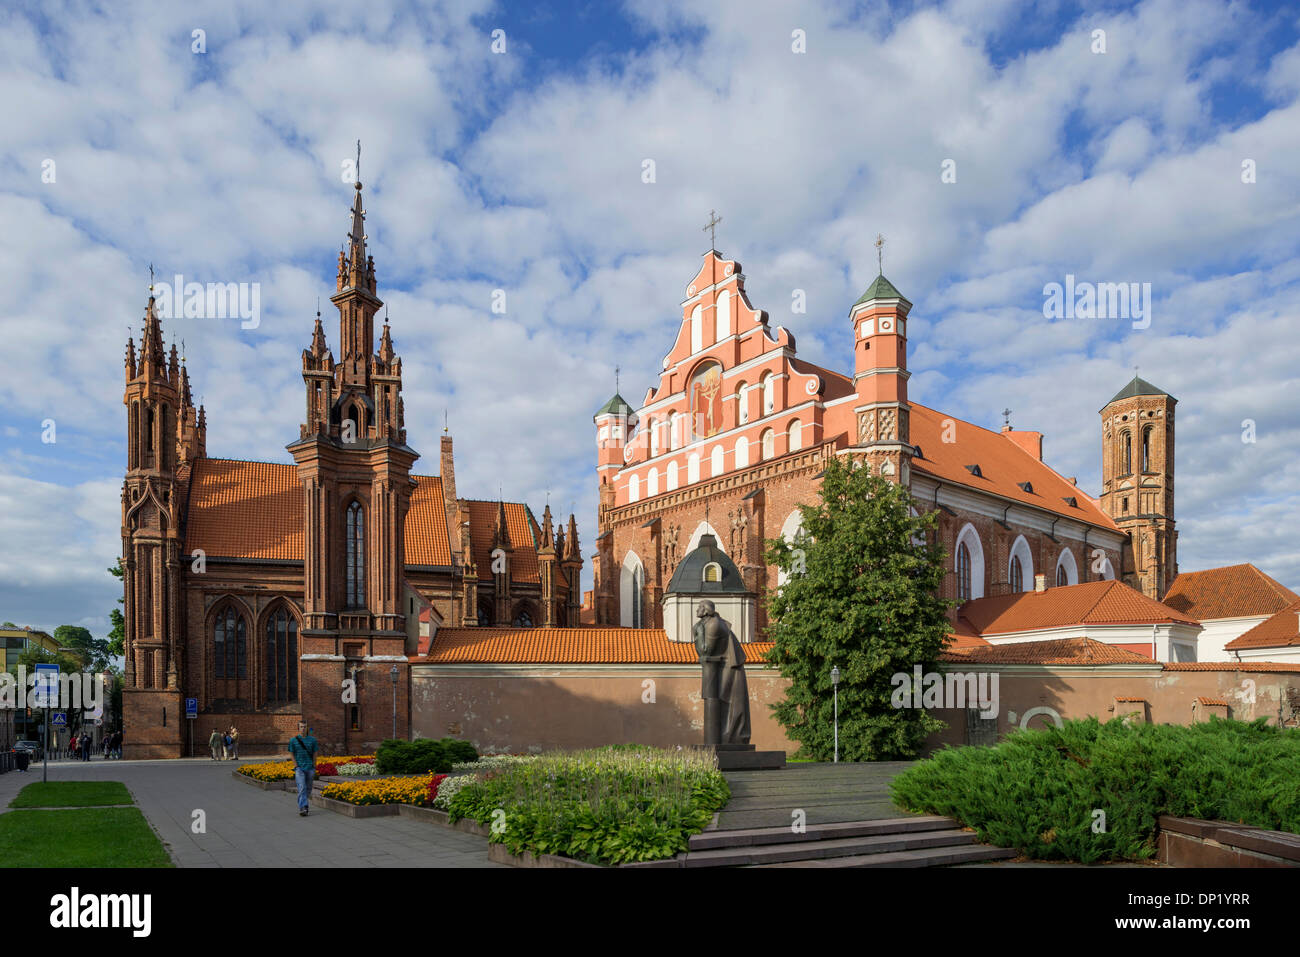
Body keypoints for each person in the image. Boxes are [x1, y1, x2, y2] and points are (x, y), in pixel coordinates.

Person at [287, 722, 318, 817]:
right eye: (301, 727)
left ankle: (303, 802)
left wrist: (314, 765)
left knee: (308, 788)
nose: (303, 728)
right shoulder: (293, 740)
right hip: (299, 768)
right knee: (302, 787)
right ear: (298, 728)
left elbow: (315, 753)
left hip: (310, 767)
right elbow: (291, 753)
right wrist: (295, 765)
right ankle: (303, 807)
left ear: (307, 728)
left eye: (304, 727)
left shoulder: (312, 740)